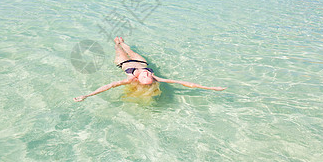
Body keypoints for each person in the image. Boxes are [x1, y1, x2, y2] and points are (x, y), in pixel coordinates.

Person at [73, 37, 226, 102]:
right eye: (148, 75)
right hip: (140, 61)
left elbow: (109, 86)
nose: (147, 73)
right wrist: (210, 87)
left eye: (145, 75)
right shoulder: (154, 77)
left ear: (138, 80)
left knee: (118, 48)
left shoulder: (130, 79)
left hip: (124, 63)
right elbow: (183, 83)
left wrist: (87, 95)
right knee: (128, 47)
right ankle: (123, 42)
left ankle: (117, 42)